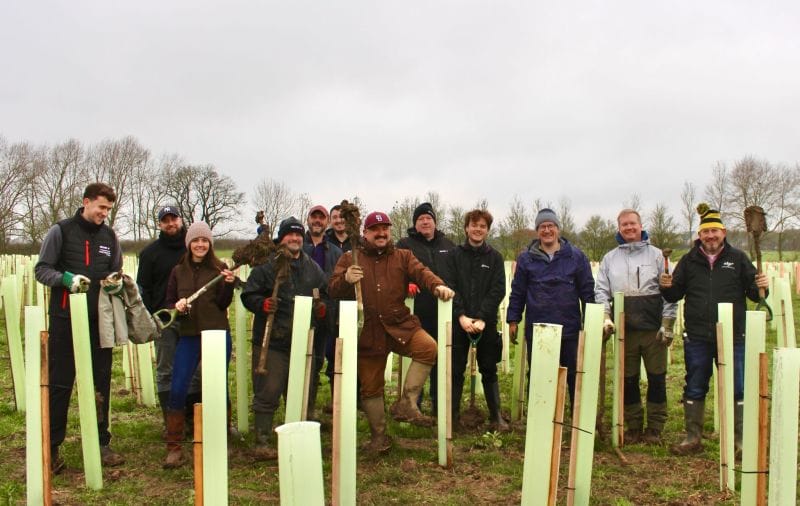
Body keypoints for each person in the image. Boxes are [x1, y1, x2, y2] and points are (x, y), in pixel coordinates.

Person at [329, 211, 455, 453]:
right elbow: (332, 290)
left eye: (385, 228)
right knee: (371, 387)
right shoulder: (349, 258)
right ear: (365, 233)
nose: (382, 233)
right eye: (375, 229)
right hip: (368, 331)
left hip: (399, 324)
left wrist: (437, 285)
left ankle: (408, 403)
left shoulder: (402, 256)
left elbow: (422, 273)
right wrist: (346, 279)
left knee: (428, 348)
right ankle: (379, 437)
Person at [659, 204, 768, 455]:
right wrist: (666, 286)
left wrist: (762, 285)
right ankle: (692, 438)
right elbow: (675, 295)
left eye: (714, 231)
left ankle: (739, 441)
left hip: (733, 335)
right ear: (700, 235)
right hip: (697, 335)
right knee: (695, 384)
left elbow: (754, 294)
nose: (710, 236)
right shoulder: (689, 260)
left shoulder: (738, 258)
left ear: (724, 232)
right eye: (705, 231)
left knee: (737, 386)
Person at [35, 182, 125, 472]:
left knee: (101, 384)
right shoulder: (60, 231)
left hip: (100, 323)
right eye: (101, 207)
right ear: (86, 202)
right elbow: (42, 269)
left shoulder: (109, 237)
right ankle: (51, 448)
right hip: (65, 321)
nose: (104, 214)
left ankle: (101, 443)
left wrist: (116, 281)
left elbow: (116, 268)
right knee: (60, 384)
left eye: (108, 209)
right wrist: (65, 280)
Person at [241, 217, 328, 459]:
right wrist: (263, 304)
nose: (295, 238)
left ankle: (299, 436)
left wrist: (322, 308)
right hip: (272, 342)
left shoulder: (312, 268)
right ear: (282, 238)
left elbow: (325, 293)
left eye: (298, 235)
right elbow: (249, 294)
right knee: (268, 390)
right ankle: (262, 441)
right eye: (290, 235)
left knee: (302, 391)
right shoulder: (268, 267)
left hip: (302, 342)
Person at [595, 209, 677, 444]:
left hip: (653, 330)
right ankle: (632, 425)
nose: (629, 228)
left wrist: (667, 323)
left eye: (633, 224)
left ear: (641, 226)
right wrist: (606, 316)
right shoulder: (610, 259)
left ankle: (654, 426)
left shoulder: (658, 256)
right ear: (618, 228)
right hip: (625, 331)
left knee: (657, 377)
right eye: (624, 225)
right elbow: (601, 290)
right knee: (628, 379)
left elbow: (669, 292)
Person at [162, 221, 236, 468]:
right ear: (189, 244)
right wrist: (177, 307)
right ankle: (174, 446)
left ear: (210, 244)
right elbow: (170, 301)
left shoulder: (220, 268)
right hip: (189, 334)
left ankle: (221, 439)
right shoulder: (178, 271)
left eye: (204, 240)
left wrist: (228, 284)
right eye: (196, 240)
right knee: (178, 385)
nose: (200, 244)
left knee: (217, 386)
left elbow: (224, 304)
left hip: (216, 334)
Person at [506, 208, 595, 406]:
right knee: (539, 373)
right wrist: (513, 319)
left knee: (572, 372)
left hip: (569, 327)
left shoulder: (576, 257)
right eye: (542, 227)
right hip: (538, 328)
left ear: (558, 229)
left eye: (551, 226)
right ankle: (539, 420)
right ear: (537, 231)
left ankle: (574, 418)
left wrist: (591, 323)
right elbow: (518, 291)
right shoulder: (526, 258)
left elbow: (587, 291)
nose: (547, 230)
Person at [137, 206, 203, 430]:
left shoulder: (193, 249)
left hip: (192, 318)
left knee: (194, 369)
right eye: (165, 220)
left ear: (180, 220)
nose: (170, 223)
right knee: (166, 368)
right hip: (164, 319)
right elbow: (143, 288)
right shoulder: (149, 254)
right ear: (159, 224)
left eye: (173, 218)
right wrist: (152, 314)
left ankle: (191, 418)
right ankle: (171, 421)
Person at [443, 209, 509, 431]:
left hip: (485, 324)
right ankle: (452, 417)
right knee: (455, 369)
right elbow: (450, 285)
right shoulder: (454, 256)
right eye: (474, 225)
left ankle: (496, 416)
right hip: (458, 322)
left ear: (487, 230)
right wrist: (461, 315)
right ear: (466, 228)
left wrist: (482, 318)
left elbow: (498, 289)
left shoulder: (495, 258)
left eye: (482, 226)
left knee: (489, 368)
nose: (478, 229)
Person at [396, 202, 455, 412]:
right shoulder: (404, 244)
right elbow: (396, 272)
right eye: (420, 219)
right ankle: (413, 403)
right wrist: (407, 284)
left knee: (441, 356)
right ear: (415, 223)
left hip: (443, 310)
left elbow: (455, 274)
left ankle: (438, 402)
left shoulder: (448, 245)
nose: (425, 221)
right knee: (420, 355)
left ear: (435, 222)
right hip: (417, 312)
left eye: (428, 218)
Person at [302, 205, 342, 418]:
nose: (317, 221)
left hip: (326, 313)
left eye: (321, 217)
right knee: (303, 362)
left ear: (326, 222)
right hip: (299, 312)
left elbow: (337, 283)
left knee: (318, 360)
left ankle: (313, 409)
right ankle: (303, 409)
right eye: (314, 217)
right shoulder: (299, 245)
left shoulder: (335, 252)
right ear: (308, 220)